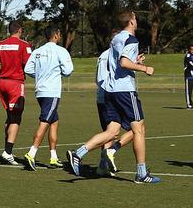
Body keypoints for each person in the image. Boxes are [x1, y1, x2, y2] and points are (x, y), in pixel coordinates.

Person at [66, 11, 160, 184]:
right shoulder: (132, 40)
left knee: (112, 131)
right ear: (131, 21)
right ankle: (141, 173)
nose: (137, 21)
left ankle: (78, 153)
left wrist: (135, 62)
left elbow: (118, 63)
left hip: (109, 91)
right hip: (124, 90)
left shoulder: (115, 39)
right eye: (135, 18)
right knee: (139, 129)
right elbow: (123, 63)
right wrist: (144, 68)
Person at [21, 25, 73, 171]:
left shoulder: (37, 51)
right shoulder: (61, 51)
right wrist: (58, 72)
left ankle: (53, 157)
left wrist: (40, 75)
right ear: (56, 35)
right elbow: (68, 70)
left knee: (54, 121)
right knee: (44, 121)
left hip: (40, 91)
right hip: (52, 92)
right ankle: (31, 153)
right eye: (60, 33)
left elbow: (28, 69)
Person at [0, 21, 32, 165]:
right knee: (16, 118)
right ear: (19, 30)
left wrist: (2, 71)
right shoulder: (25, 45)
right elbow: (29, 64)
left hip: (2, 83)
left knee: (10, 116)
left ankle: (7, 149)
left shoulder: (1, 44)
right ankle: (8, 151)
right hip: (15, 84)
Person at [94, 47, 134, 177]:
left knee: (109, 133)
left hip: (105, 97)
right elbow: (104, 78)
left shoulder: (106, 54)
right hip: (112, 96)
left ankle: (102, 166)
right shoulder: (112, 55)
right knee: (135, 128)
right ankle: (82, 153)